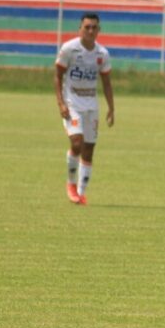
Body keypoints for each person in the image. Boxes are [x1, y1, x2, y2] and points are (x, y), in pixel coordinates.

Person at [54, 12, 114, 205]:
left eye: (94, 27)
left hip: (91, 105)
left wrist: (111, 108)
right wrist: (61, 103)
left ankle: (81, 193)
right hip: (72, 103)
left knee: (88, 149)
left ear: (99, 30)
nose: (90, 30)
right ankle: (71, 185)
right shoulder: (69, 49)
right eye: (86, 27)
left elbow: (106, 82)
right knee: (77, 143)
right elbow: (58, 76)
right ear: (80, 28)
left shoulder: (102, 54)